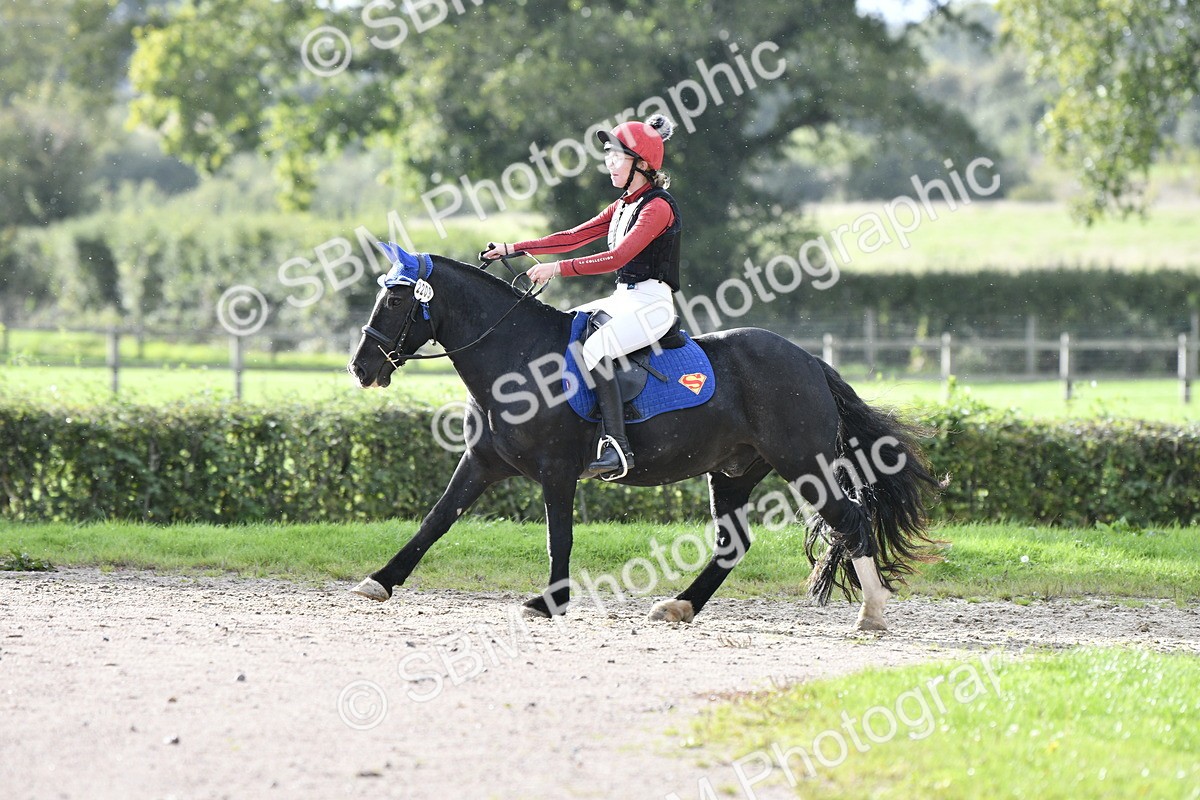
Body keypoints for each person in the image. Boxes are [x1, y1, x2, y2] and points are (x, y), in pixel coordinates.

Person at [482, 114, 681, 480]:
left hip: (653, 305)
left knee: (598, 347)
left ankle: (618, 446)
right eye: (608, 155)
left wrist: (556, 269)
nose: (610, 163)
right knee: (568, 325)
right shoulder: (623, 205)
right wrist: (513, 248)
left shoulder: (657, 207)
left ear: (641, 164)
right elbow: (572, 237)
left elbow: (616, 258)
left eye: (617, 156)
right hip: (624, 298)